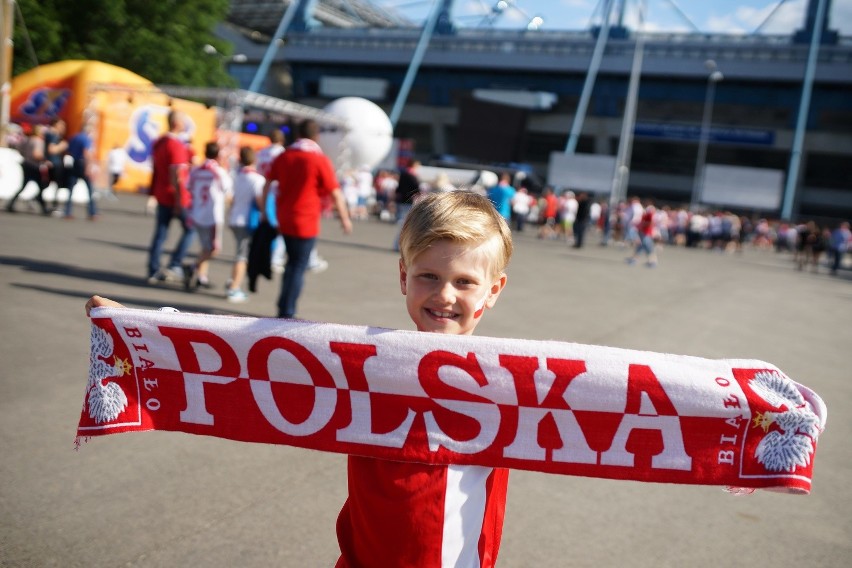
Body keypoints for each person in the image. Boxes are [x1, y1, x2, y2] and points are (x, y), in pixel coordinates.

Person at [336, 190, 512, 567]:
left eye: (464, 282)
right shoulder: (363, 367)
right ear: (404, 275)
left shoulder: (508, 386)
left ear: (493, 289)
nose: (444, 295)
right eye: (428, 276)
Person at [262, 119, 352, 319]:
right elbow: (335, 192)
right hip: (306, 220)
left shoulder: (285, 156)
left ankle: (283, 305)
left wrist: (264, 212)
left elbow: (267, 183)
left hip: (284, 217)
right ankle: (287, 310)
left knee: (291, 263)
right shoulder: (318, 160)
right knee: (297, 265)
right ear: (316, 136)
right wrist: (345, 218)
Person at [146, 111, 194, 284]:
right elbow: (177, 174)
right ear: (177, 123)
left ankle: (153, 269)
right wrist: (180, 200)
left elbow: (157, 170)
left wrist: (153, 192)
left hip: (162, 194)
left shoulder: (159, 142)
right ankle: (175, 263)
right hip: (174, 196)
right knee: (191, 229)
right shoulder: (175, 145)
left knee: (161, 233)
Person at [184, 141, 232, 291]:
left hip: (198, 213)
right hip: (212, 215)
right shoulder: (218, 171)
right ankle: (193, 267)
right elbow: (227, 190)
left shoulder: (196, 170)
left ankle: (201, 276)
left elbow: (188, 187)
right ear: (218, 155)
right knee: (213, 249)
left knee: (205, 247)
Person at [226, 146, 265, 303]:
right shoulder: (256, 179)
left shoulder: (236, 176)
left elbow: (230, 197)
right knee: (242, 256)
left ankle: (232, 281)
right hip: (247, 220)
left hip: (234, 217)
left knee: (239, 253)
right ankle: (234, 288)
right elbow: (259, 200)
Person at [5, 124, 51, 215]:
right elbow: (36, 154)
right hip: (34, 166)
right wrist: (45, 160)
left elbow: (19, 149)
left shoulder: (28, 140)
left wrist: (26, 156)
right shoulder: (38, 141)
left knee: (24, 186)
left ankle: (11, 204)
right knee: (41, 186)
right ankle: (44, 208)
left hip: (27, 164)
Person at [63, 124, 98, 220]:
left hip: (74, 163)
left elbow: (68, 151)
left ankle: (67, 211)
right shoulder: (86, 139)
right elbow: (86, 153)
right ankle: (92, 212)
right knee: (90, 189)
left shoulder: (73, 138)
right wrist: (88, 166)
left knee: (71, 189)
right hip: (82, 163)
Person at [393, 160, 421, 251]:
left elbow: (398, 188)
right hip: (408, 201)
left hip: (401, 201)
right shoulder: (412, 175)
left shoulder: (403, 174)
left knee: (402, 223)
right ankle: (400, 245)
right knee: (405, 224)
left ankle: (397, 245)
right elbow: (417, 189)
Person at [44, 118, 69, 211]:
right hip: (55, 163)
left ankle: (39, 200)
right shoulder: (53, 135)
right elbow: (52, 150)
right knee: (56, 184)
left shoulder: (48, 134)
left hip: (52, 162)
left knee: (47, 183)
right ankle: (54, 205)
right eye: (61, 125)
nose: (63, 127)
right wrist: (62, 146)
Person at [626, 201, 659, 267]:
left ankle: (653, 261)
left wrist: (642, 224)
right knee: (641, 247)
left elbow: (650, 223)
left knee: (648, 248)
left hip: (647, 233)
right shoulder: (645, 214)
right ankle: (635, 259)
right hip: (644, 233)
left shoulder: (650, 214)